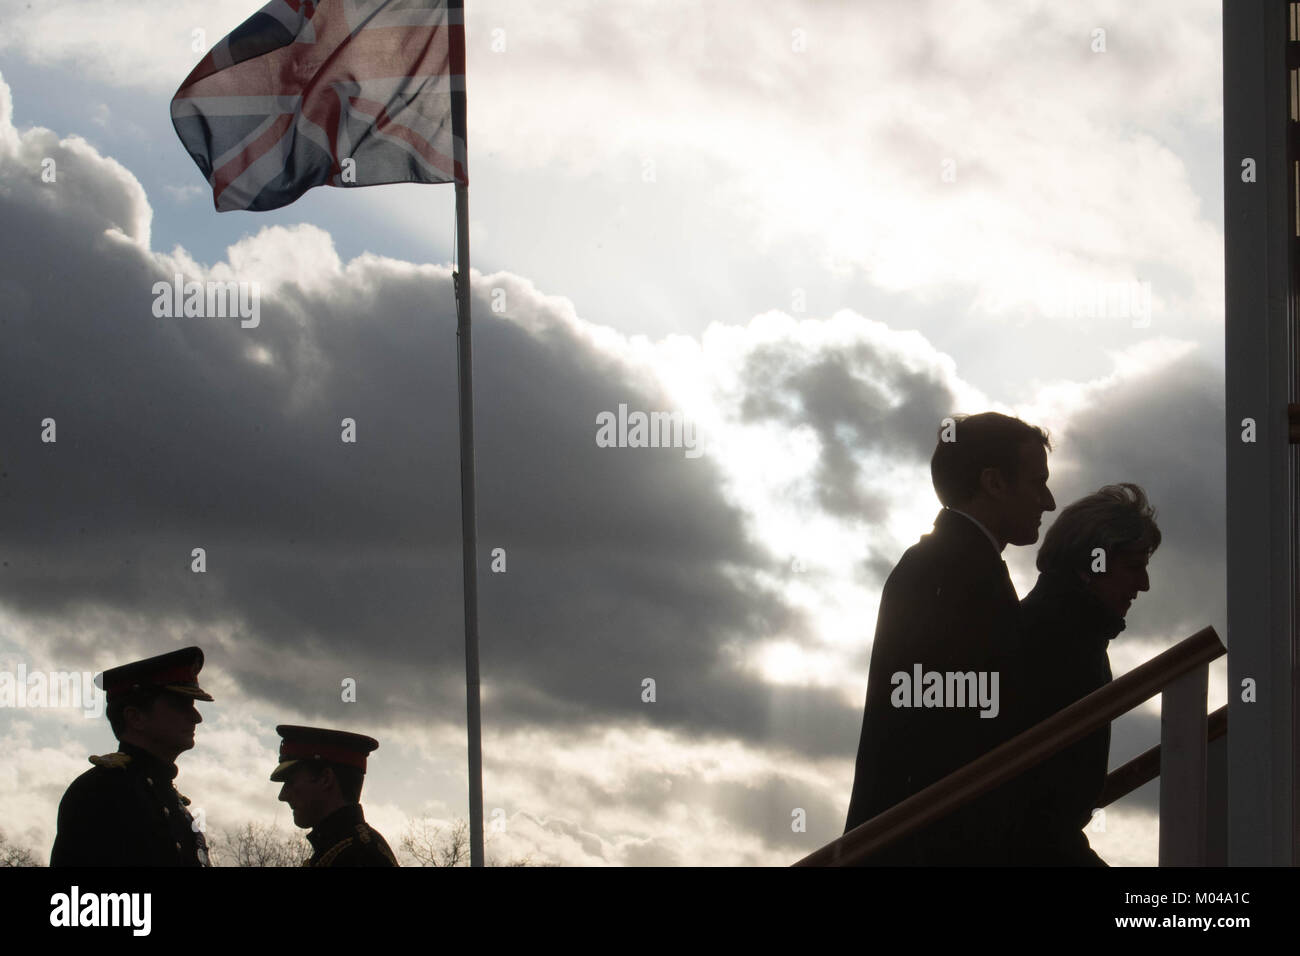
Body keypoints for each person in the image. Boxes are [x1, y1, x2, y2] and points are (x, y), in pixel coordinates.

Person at [844, 412, 1055, 864]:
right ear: (994, 482)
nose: (1049, 501)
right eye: (1038, 483)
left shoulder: (943, 565)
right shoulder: (956, 572)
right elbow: (948, 727)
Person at [1002, 483, 1159, 865]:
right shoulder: (1055, 643)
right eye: (1134, 567)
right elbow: (1036, 811)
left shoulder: (1066, 635)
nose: (1144, 585)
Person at [50, 646, 213, 867]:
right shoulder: (101, 791)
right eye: (180, 705)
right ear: (135, 718)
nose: (196, 717)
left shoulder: (170, 800)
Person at [272, 725, 398, 867]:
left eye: (291, 782)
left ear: (326, 779)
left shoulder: (358, 856)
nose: (282, 795)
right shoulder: (345, 849)